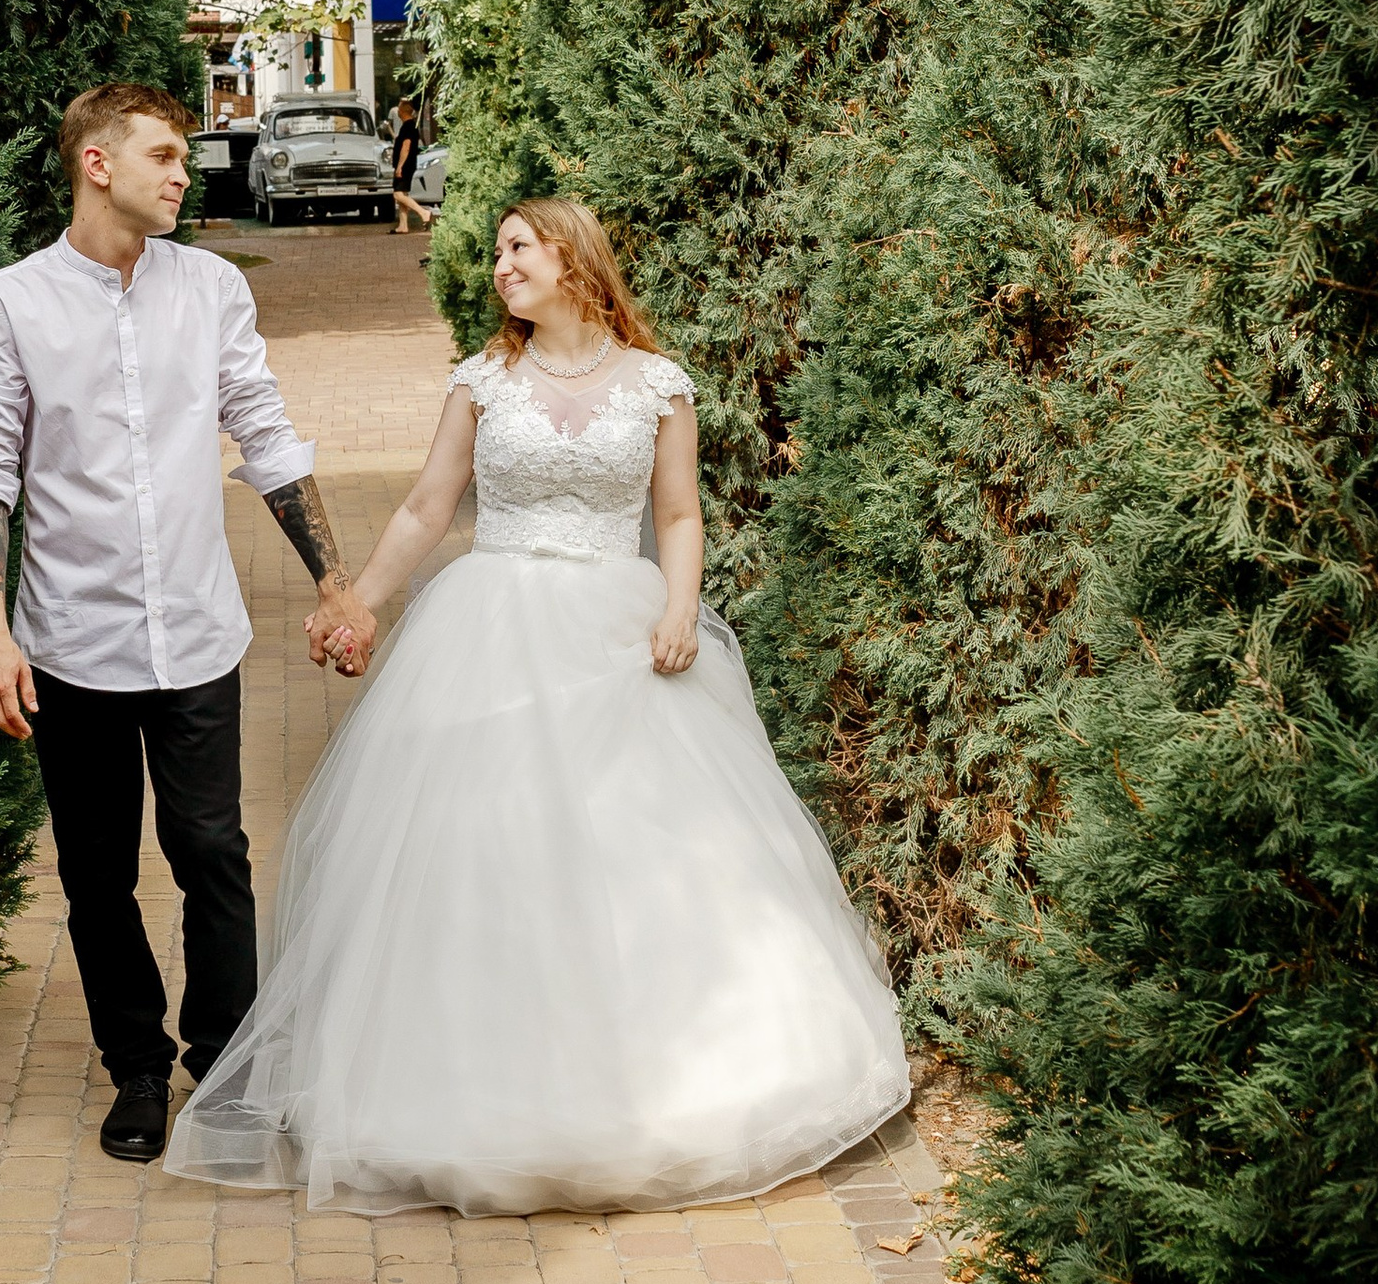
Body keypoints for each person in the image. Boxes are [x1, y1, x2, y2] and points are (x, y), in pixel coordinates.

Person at [167, 197, 910, 1215]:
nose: (500, 265)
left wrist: (680, 608)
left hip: (619, 631)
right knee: (487, 848)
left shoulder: (657, 384)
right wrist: (358, 605)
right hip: (490, 628)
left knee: (638, 850)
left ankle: (663, 1081)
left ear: (571, 257)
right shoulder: (483, 381)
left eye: (517, 247)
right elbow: (427, 507)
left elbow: (678, 513)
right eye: (498, 252)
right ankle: (464, 1088)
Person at [0, 82, 358, 1164]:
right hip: (71, 639)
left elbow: (263, 433)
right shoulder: (7, 303)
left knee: (213, 850)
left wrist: (333, 582)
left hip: (196, 628)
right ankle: (135, 1068)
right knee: (96, 871)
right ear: (98, 164)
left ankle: (224, 1068)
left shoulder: (213, 288)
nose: (186, 173)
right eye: (166, 156)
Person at [389, 99, 426, 237]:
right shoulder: (410, 126)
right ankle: (403, 225)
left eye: (399, 109)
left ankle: (423, 212)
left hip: (405, 166)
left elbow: (406, 147)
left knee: (397, 194)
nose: (398, 111)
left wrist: (399, 167)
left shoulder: (408, 127)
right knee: (402, 195)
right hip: (408, 165)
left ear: (402, 111)